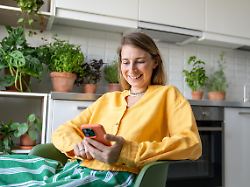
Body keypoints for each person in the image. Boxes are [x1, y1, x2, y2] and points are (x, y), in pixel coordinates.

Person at [0, 32, 202, 187]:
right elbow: (64, 130)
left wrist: (126, 151)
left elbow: (191, 144)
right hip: (74, 168)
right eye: (125, 62)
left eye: (140, 61)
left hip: (114, 177)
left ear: (155, 62)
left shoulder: (167, 95)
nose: (131, 70)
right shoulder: (108, 99)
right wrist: (77, 145)